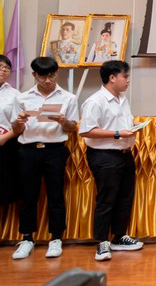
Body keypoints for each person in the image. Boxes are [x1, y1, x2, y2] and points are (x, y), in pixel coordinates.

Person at [10, 57, 79, 260]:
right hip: (28, 149)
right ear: (34, 75)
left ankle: (56, 238)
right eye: (42, 76)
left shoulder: (68, 98)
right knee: (28, 195)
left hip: (55, 149)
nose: (47, 80)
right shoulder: (22, 98)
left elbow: (73, 128)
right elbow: (16, 130)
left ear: (57, 73)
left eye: (51, 75)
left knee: (55, 194)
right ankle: (27, 238)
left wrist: (63, 121)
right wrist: (19, 121)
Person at [80, 60, 144, 261]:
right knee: (106, 199)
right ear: (112, 78)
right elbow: (87, 130)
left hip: (124, 154)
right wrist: (118, 133)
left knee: (125, 197)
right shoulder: (95, 101)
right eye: (125, 77)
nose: (128, 81)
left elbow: (118, 123)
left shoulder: (122, 98)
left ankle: (118, 236)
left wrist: (132, 127)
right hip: (104, 156)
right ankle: (102, 241)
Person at [0, 55, 20, 206]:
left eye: (7, 68)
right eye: (0, 66)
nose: (3, 70)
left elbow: (20, 123)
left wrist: (5, 138)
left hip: (5, 144)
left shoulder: (15, 94)